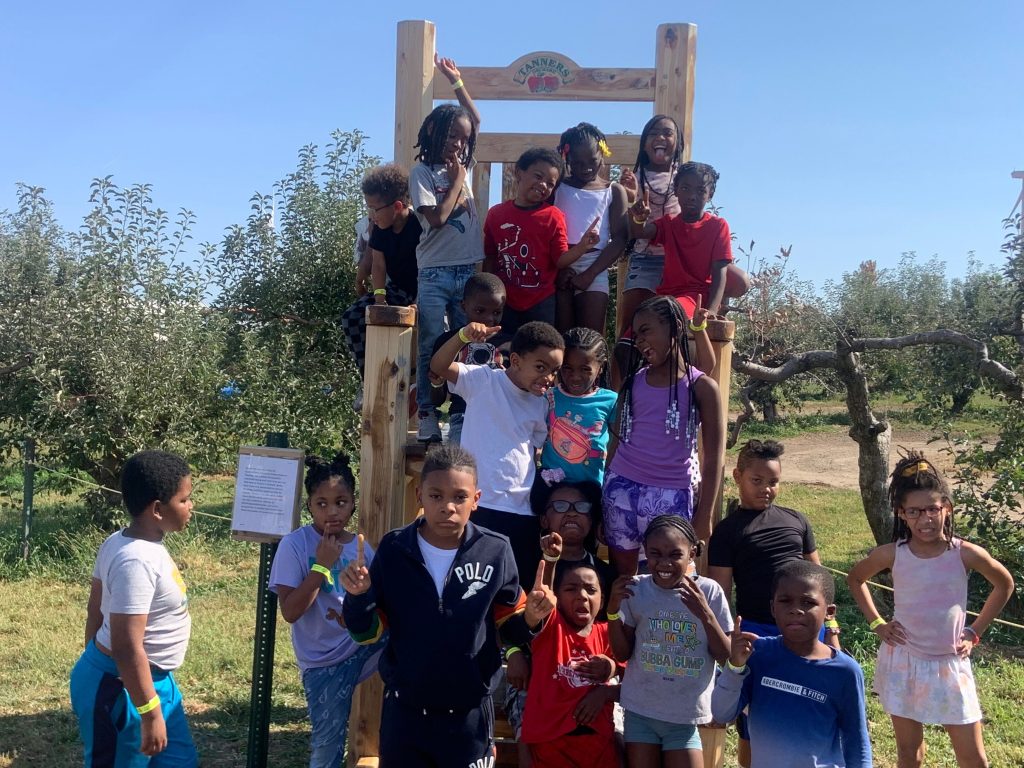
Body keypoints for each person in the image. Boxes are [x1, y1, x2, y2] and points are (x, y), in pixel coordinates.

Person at [341, 444, 555, 768]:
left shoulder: (495, 550)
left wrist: (532, 619)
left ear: (476, 500)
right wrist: (358, 597)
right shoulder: (395, 549)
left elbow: (509, 630)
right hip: (406, 715)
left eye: (459, 497)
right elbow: (366, 634)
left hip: (469, 718)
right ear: (420, 496)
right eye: (436, 496)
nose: (448, 507)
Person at [847, 452, 1014, 768]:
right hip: (904, 661)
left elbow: (1004, 584)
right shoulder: (892, 554)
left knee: (973, 758)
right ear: (901, 514)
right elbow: (855, 579)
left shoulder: (965, 554)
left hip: (949, 664)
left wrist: (974, 631)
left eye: (933, 509)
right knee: (910, 753)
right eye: (914, 511)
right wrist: (877, 623)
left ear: (946, 508)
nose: (925, 519)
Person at [706, 438, 832, 766]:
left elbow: (819, 579)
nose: (766, 489)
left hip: (806, 631)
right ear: (738, 476)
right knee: (755, 718)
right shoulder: (727, 532)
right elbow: (721, 594)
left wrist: (830, 627)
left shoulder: (796, 520)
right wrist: (728, 642)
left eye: (773, 482)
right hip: (758, 634)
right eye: (757, 481)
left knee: (808, 709)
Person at [70, 450, 198, 767]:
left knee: (179, 761)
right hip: (123, 689)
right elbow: (126, 646)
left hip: (153, 683)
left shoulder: (125, 542)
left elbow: (96, 610)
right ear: (157, 509)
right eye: (184, 500)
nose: (191, 506)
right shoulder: (135, 560)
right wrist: (148, 711)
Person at [268, 453, 386, 768]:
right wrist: (321, 565)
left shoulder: (361, 548)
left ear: (353, 503)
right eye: (322, 504)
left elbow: (379, 603)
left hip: (361, 645)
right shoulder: (295, 545)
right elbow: (290, 612)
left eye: (341, 502)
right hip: (323, 660)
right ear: (309, 505)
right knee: (328, 748)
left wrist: (365, 588)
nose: (332, 512)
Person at [430, 319, 564, 585]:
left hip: (523, 511)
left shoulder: (541, 404)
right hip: (479, 506)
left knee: (516, 588)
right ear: (515, 360)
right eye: (541, 367)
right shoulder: (483, 380)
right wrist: (463, 336)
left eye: (554, 371)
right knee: (470, 585)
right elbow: (439, 366)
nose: (548, 377)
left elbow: (534, 452)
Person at [602, 295, 725, 575]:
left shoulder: (702, 387)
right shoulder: (632, 382)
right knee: (625, 581)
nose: (639, 341)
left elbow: (714, 457)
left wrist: (705, 514)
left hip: (671, 496)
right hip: (620, 489)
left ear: (675, 327)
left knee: (667, 579)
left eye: (646, 330)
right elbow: (616, 441)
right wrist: (604, 495)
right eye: (636, 335)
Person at [712, 561, 873, 768]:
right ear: (773, 608)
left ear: (829, 611)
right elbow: (722, 713)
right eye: (785, 601)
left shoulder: (845, 671)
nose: (796, 610)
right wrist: (735, 667)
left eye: (808, 602)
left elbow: (857, 741)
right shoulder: (758, 655)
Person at [506, 478, 619, 762]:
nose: (571, 513)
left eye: (581, 507)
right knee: (527, 720)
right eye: (560, 506)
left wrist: (610, 667)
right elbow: (504, 620)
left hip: (592, 673)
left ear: (592, 519)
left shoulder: (604, 574)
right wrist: (513, 651)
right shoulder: (526, 566)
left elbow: (613, 637)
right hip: (535, 668)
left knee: (619, 735)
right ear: (544, 519)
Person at [607, 516, 733, 768]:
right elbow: (622, 654)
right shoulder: (636, 589)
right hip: (641, 711)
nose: (664, 563)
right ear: (645, 551)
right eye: (655, 553)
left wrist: (706, 615)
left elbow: (726, 658)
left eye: (675, 555)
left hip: (684, 718)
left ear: (692, 554)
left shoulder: (709, 592)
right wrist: (612, 612)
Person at [409, 53, 484, 443]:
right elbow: (437, 218)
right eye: (451, 135)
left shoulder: (463, 163)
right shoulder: (423, 173)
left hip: (467, 269)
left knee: (464, 341)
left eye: (462, 138)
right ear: (433, 132)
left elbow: (476, 120)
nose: (457, 143)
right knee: (429, 343)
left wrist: (456, 82)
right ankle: (426, 411)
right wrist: (456, 182)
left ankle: (458, 414)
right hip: (435, 271)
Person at [484, 147, 599, 337]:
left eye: (551, 184)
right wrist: (487, 294)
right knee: (502, 348)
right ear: (519, 172)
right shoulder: (496, 214)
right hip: (504, 301)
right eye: (538, 176)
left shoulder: (553, 216)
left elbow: (560, 260)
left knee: (538, 347)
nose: (543, 185)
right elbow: (490, 257)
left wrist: (582, 246)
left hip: (541, 302)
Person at [520, 558, 620, 768]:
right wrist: (550, 559)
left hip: (599, 743)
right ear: (556, 598)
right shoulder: (550, 629)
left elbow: (639, 684)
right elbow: (543, 601)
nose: (582, 595)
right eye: (571, 589)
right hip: (552, 744)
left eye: (591, 590)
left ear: (602, 600)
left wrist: (605, 691)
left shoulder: (610, 634)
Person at [342, 164, 420, 411]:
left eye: (375, 208)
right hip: (396, 290)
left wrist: (418, 301)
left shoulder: (418, 227)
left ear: (397, 206)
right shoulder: (380, 229)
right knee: (352, 317)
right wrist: (379, 298)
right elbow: (377, 264)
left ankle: (419, 384)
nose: (371, 215)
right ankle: (369, 379)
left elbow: (429, 268)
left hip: (422, 290)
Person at [628, 161, 749, 319]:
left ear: (710, 194)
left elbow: (720, 272)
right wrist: (639, 219)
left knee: (664, 317)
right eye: (685, 188)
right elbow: (641, 232)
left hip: (698, 297)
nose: (692, 196)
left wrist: (711, 311)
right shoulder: (669, 223)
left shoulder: (718, 226)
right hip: (668, 296)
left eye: (700, 190)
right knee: (636, 327)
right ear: (676, 190)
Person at [552, 122, 629, 333]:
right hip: (560, 263)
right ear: (566, 158)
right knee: (560, 337)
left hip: (595, 266)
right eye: (577, 162)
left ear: (602, 154)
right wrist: (558, 269)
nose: (585, 167)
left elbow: (620, 238)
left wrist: (590, 274)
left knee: (590, 338)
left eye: (592, 161)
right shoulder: (557, 187)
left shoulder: (613, 191)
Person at [429, 272, 507, 445]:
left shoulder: (509, 344)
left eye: (497, 312)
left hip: (502, 419)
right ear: (464, 306)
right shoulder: (449, 342)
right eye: (480, 311)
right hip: (463, 416)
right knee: (461, 461)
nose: (489, 318)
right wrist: (437, 384)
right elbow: (437, 400)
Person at [540, 327, 618, 486]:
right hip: (551, 486)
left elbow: (617, 446)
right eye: (567, 368)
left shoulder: (611, 401)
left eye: (585, 369)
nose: (575, 377)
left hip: (591, 488)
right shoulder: (548, 397)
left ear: (601, 367)